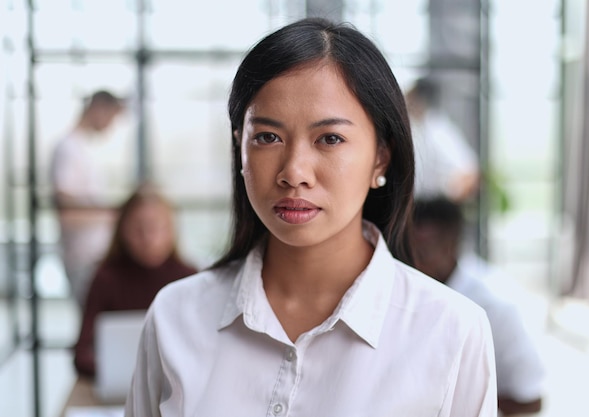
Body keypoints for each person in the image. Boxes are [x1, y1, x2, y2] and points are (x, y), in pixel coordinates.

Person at [126, 18, 497, 416]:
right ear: (240, 148)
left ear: (380, 157)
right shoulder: (175, 316)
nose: (294, 172)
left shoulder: (452, 331)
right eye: (267, 137)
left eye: (330, 139)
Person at [411, 197, 546, 416]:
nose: (413, 262)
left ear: (450, 245)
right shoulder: (407, 293)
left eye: (423, 252)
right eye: (407, 252)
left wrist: (455, 398)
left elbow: (531, 399)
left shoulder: (495, 304)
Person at [73, 184, 197, 377]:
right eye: (139, 229)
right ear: (122, 230)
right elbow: (81, 353)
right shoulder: (105, 278)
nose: (149, 238)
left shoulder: (190, 278)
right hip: (117, 389)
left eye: (157, 227)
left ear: (171, 230)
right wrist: (114, 372)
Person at [51, 90, 125, 308]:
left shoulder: (80, 148)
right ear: (98, 109)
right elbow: (68, 214)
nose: (111, 126)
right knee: (93, 326)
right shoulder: (68, 149)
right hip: (83, 258)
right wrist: (113, 216)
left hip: (92, 257)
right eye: (112, 118)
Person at [406, 77, 480, 202]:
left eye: (410, 95)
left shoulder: (438, 129)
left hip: (429, 207)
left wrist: (444, 198)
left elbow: (469, 174)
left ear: (419, 99)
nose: (405, 99)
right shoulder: (414, 126)